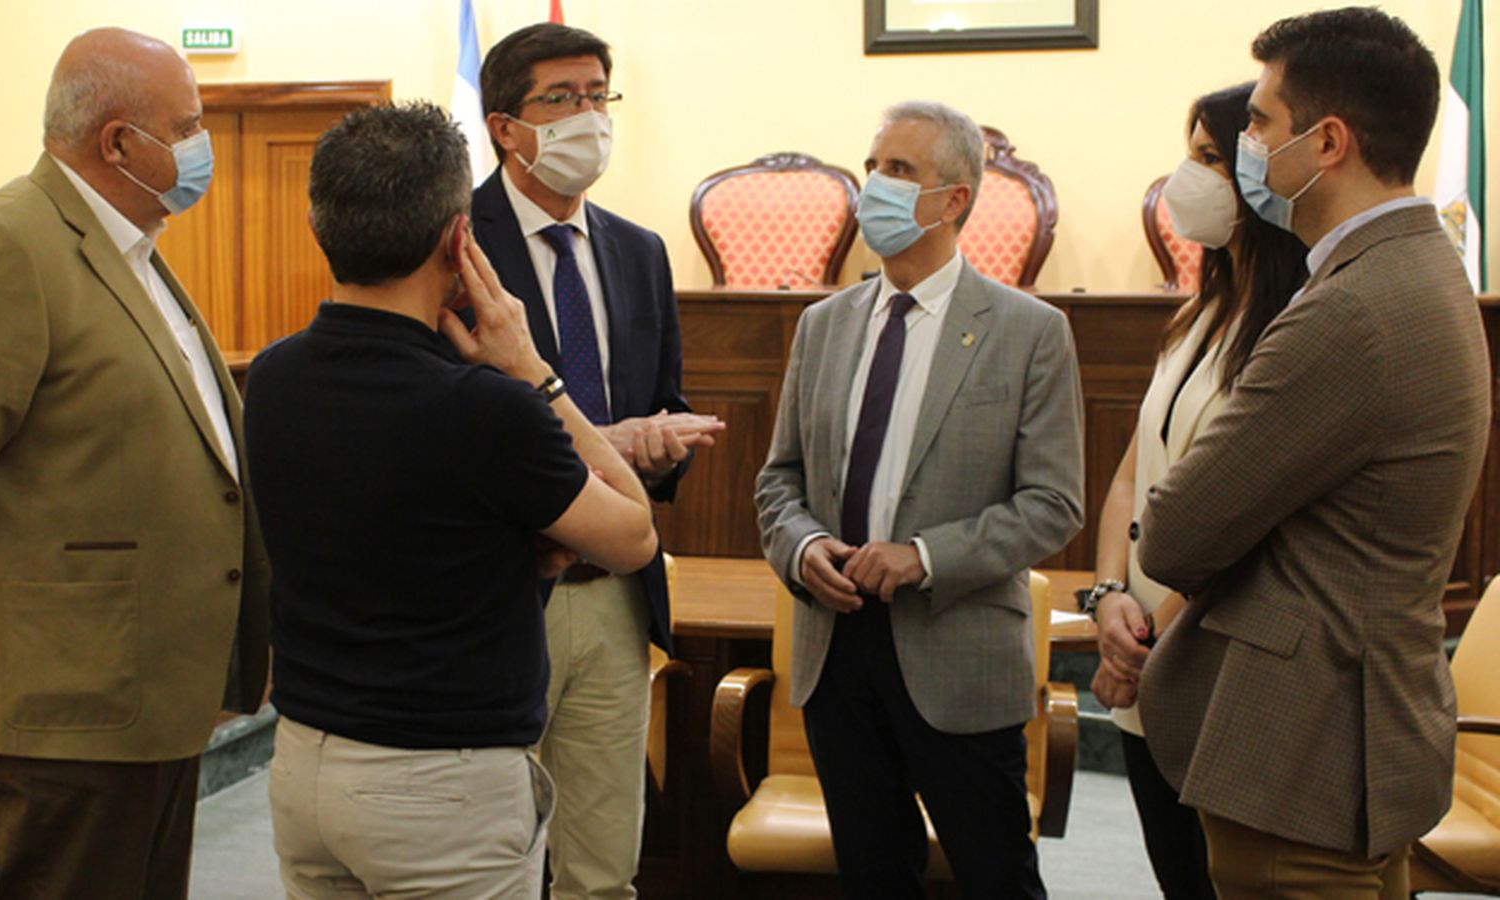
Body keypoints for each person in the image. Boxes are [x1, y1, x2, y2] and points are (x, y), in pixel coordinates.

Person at [245, 100, 659, 898]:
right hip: (439, 783)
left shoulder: (272, 376)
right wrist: (535, 370)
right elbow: (634, 532)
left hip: (305, 758)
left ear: (318, 224)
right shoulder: (487, 406)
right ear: (458, 239)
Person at [0, 28, 268, 899]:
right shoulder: (8, 244)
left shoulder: (132, 249)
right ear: (118, 142)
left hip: (146, 695)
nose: (199, 145)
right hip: (69, 701)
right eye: (188, 125)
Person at [1135, 8, 1490, 898]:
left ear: (1327, 141)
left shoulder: (1350, 309)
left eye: (1259, 122)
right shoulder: (1416, 262)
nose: (1247, 141)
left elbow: (1176, 535)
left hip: (1304, 755)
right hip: (1350, 738)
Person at [756, 100, 1084, 899]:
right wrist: (802, 548)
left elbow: (1054, 502)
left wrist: (923, 557)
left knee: (996, 877)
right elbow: (779, 481)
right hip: (836, 649)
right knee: (872, 875)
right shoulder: (823, 325)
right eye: (873, 167)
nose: (875, 187)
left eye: (900, 172)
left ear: (955, 200)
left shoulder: (1029, 331)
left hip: (957, 650)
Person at [473, 23, 724, 899]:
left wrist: (657, 448)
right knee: (488, 859)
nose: (590, 116)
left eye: (598, 96)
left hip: (616, 594)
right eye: (563, 98)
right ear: (506, 125)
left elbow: (665, 398)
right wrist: (587, 446)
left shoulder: (638, 250)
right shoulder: (451, 245)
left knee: (604, 864)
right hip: (500, 590)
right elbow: (440, 424)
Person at [1083, 82, 1308, 900]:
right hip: (1138, 641)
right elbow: (1129, 476)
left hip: (1203, 653)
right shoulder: (1198, 313)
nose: (1188, 176)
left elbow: (1246, 517)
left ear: (1260, 177)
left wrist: (1146, 643)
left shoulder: (1295, 325)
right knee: (1173, 873)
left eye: (1210, 157)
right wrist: (1110, 595)